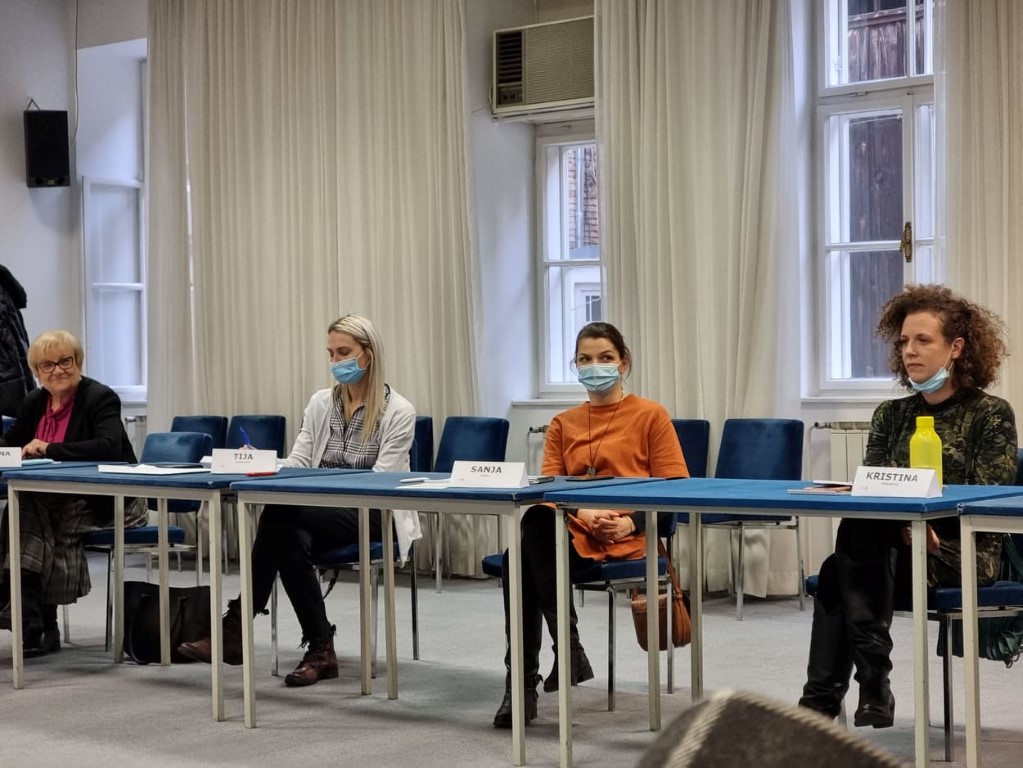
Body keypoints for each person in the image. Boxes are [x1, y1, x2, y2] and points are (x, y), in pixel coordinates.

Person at [798, 284, 1018, 728]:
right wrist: (903, 527)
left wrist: (925, 527)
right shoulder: (891, 414)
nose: (909, 351)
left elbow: (989, 497)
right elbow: (874, 489)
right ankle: (868, 687)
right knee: (855, 542)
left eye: (922, 340)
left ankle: (836, 699)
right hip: (895, 544)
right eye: (903, 342)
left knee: (838, 570)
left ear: (956, 348)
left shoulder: (991, 413)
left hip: (961, 550)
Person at [178, 313, 419, 687]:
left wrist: (319, 491)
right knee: (288, 535)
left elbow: (381, 480)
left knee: (281, 514)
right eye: (331, 353)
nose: (335, 361)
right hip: (317, 511)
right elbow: (299, 462)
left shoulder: (399, 411)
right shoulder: (321, 403)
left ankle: (236, 627)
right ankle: (321, 649)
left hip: (374, 510)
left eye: (344, 352)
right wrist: (260, 462)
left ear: (368, 355)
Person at [493, 321, 689, 728]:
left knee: (518, 559)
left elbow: (676, 491)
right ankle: (565, 653)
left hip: (628, 536)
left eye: (605, 358)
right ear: (576, 365)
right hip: (573, 531)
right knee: (535, 522)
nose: (594, 366)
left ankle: (525, 683)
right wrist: (582, 514)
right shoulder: (563, 423)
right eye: (585, 359)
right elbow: (548, 490)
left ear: (623, 363)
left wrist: (630, 524)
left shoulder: (651, 415)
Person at [0, 330, 146, 656]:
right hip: (54, 497)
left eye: (65, 361)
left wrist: (49, 447)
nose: (58, 370)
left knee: (33, 513)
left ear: (78, 361)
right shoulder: (34, 401)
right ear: (37, 371)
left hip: (111, 497)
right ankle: (36, 621)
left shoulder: (99, 397)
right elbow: (10, 443)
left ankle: (34, 620)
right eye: (48, 365)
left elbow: (108, 447)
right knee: (23, 506)